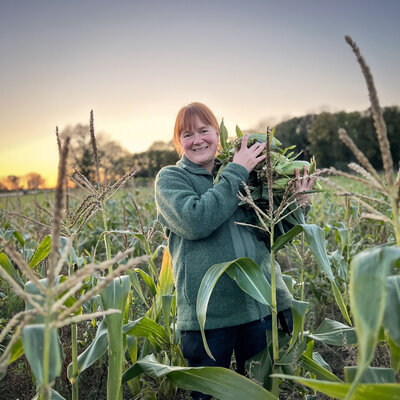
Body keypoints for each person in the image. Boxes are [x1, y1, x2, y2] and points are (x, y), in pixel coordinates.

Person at [155, 102, 315, 400]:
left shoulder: (250, 177)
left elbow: (271, 238)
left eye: (204, 131)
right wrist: (237, 170)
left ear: (218, 134)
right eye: (187, 134)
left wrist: (297, 205)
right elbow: (196, 221)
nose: (198, 139)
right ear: (178, 142)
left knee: (263, 393)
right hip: (210, 319)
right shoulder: (171, 179)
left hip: (263, 306)